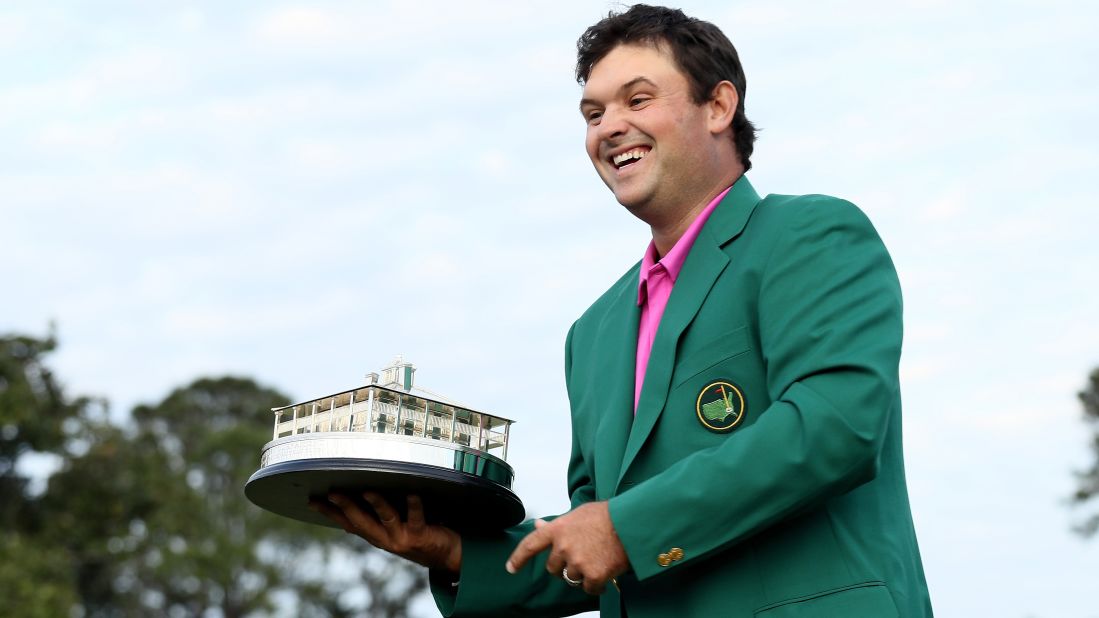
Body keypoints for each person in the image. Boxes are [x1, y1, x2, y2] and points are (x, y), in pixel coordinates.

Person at [312, 5, 933, 617]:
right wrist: (453, 552)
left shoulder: (809, 234)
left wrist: (624, 527)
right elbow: (596, 544)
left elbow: (835, 428)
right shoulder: (592, 334)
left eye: (637, 100)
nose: (609, 126)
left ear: (719, 107)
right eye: (593, 112)